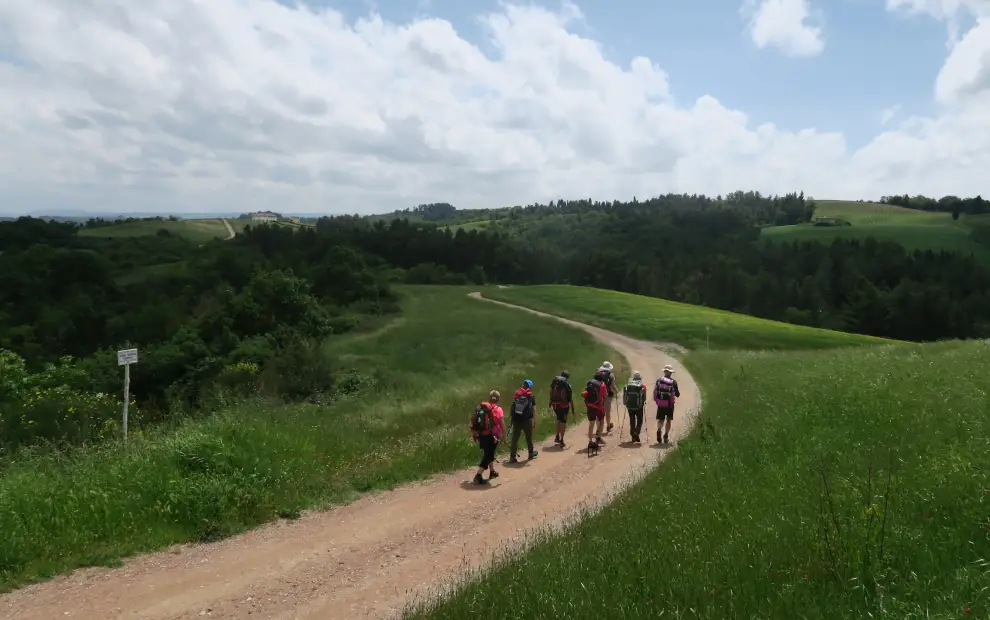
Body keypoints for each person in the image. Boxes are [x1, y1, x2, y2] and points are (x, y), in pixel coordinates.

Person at [471, 390, 505, 485]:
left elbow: (473, 421)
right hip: (492, 436)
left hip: (482, 434)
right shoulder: (498, 409)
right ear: (498, 399)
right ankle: (478, 475)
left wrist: (475, 433)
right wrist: (504, 437)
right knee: (489, 455)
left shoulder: (482, 407)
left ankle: (492, 471)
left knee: (488, 453)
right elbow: (502, 425)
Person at [508, 379, 538, 463]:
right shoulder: (531, 397)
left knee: (515, 439)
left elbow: (512, 408)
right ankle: (531, 453)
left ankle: (512, 457)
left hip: (516, 420)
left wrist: (511, 420)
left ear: (523, 385)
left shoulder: (517, 395)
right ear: (530, 387)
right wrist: (534, 421)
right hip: (527, 420)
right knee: (529, 438)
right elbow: (534, 410)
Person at [654, 364, 681, 444]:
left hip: (661, 403)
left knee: (661, 419)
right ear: (671, 373)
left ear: (664, 372)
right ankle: (666, 435)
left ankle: (659, 429)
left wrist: (657, 400)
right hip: (670, 404)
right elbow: (677, 394)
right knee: (668, 420)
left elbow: (655, 391)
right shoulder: (673, 382)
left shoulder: (659, 380)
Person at [581, 374, 607, 450]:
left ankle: (590, 441)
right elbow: (605, 396)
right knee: (601, 422)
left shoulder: (589, 383)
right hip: (599, 407)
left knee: (591, 424)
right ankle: (598, 437)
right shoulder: (602, 386)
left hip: (590, 406)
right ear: (601, 380)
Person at [549, 371, 574, 449]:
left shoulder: (555, 383)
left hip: (555, 404)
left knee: (558, 419)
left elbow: (550, 391)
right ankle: (562, 440)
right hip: (563, 406)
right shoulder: (567, 385)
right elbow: (570, 398)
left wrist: (550, 401)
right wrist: (572, 407)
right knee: (563, 421)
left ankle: (557, 436)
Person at [622, 370, 648, 442]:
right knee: (640, 419)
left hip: (629, 406)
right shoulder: (643, 386)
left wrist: (625, 402)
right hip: (639, 406)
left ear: (633, 378)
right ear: (640, 378)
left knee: (632, 419)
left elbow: (625, 395)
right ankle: (637, 432)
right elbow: (644, 398)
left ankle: (633, 434)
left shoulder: (628, 385)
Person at [599, 361, 618, 434]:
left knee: (600, 411)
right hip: (608, 395)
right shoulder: (611, 375)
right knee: (607, 412)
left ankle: (599, 427)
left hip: (600, 395)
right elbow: (613, 385)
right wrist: (616, 391)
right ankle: (608, 425)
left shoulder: (599, 374)